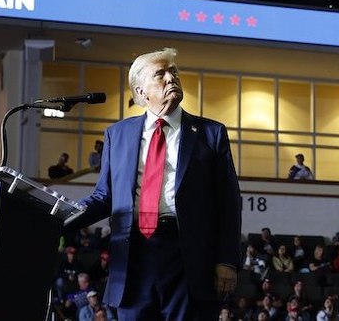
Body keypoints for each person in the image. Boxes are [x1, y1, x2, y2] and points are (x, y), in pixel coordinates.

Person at [69, 48, 241, 319]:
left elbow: (229, 202)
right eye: (160, 74)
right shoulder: (118, 135)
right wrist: (57, 218)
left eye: (174, 72)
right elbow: (104, 197)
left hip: (188, 255)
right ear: (141, 91)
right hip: (133, 255)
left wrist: (226, 260)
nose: (171, 78)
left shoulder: (211, 133)